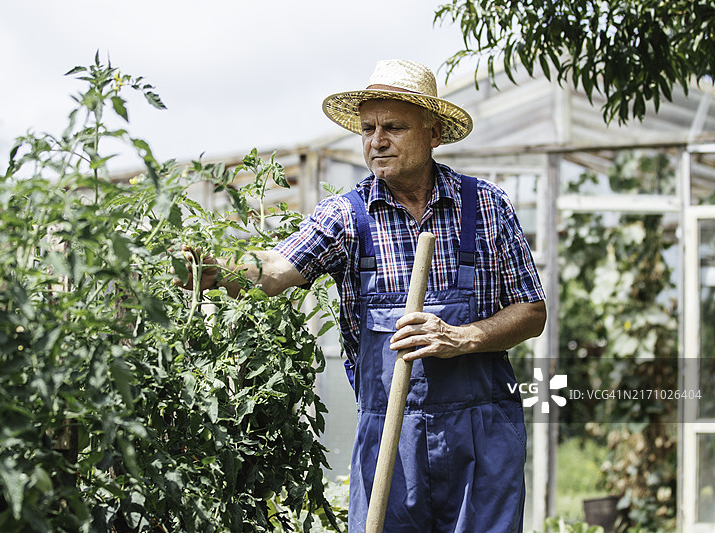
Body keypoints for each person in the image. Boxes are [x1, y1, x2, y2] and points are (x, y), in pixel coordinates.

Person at [184, 59, 546, 532]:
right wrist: (210, 269)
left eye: (393, 127)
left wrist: (462, 337)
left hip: (482, 434)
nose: (377, 140)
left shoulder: (485, 206)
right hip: (392, 437)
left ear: (434, 134)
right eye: (368, 128)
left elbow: (532, 311)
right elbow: (274, 272)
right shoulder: (347, 217)